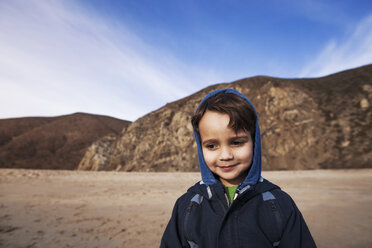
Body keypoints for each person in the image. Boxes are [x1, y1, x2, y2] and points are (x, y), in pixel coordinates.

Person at [160, 88, 317, 248]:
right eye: (212, 145)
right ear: (201, 148)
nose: (226, 155)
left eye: (237, 142)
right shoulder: (188, 205)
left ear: (254, 142)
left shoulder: (279, 204)